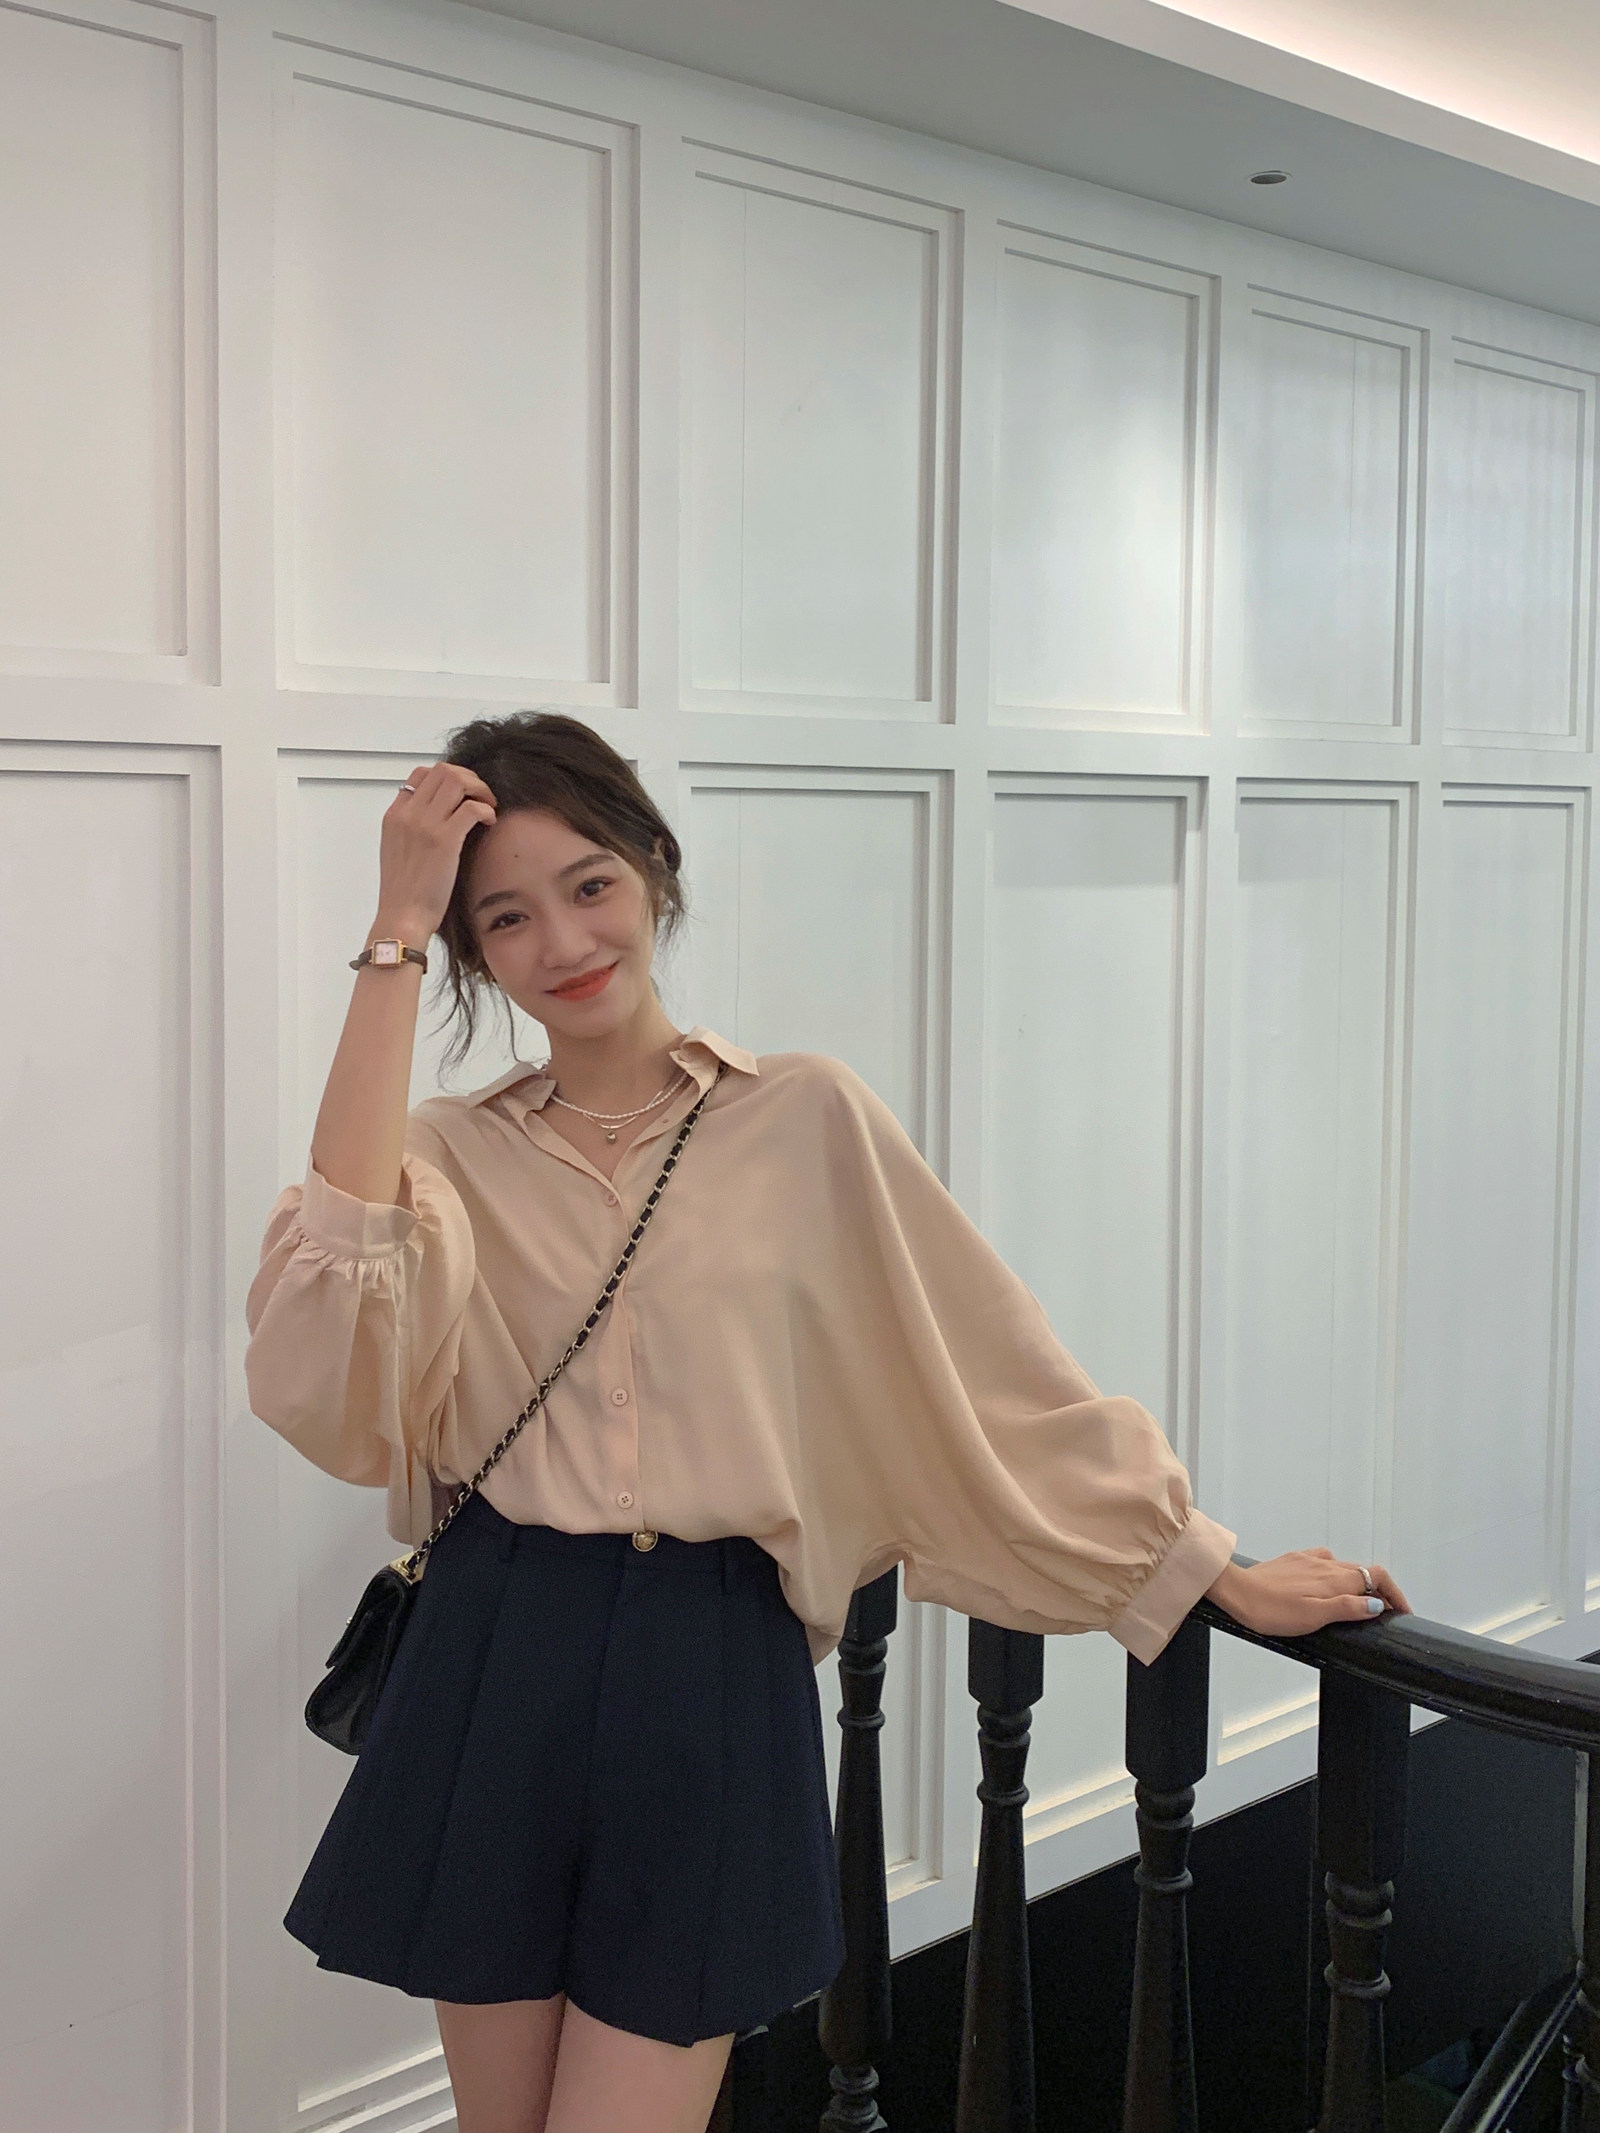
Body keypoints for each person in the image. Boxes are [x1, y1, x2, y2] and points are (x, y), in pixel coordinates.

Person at [244, 710, 1410, 2133]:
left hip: (710, 1661)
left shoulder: (803, 1117)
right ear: (475, 955)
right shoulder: (445, 1153)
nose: (564, 940)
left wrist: (1201, 1563)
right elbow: (328, 1312)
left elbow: (984, 1370)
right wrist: (393, 928)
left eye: (590, 884)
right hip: (498, 1639)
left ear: (654, 867)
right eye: (506, 918)